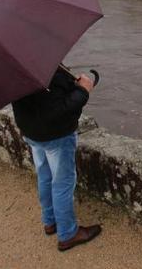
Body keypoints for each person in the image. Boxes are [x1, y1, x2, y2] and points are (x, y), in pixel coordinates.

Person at [11, 66, 102, 252]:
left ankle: (50, 221)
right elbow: (60, 110)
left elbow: (44, 99)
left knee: (45, 176)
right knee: (63, 183)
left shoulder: (13, 68)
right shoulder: (41, 61)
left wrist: (71, 83)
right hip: (56, 136)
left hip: (32, 132)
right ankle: (68, 234)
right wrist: (82, 90)